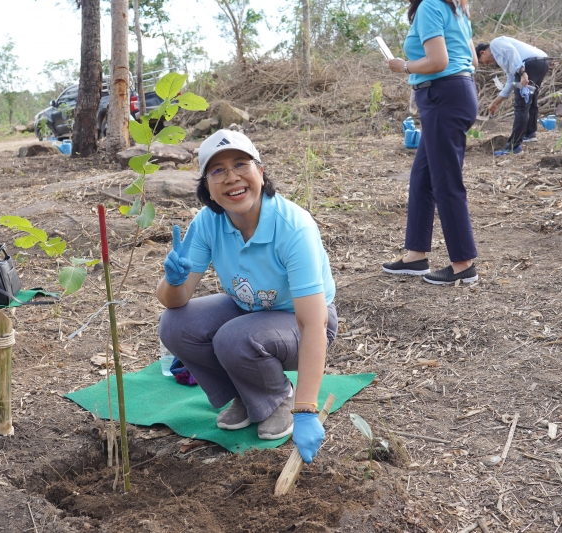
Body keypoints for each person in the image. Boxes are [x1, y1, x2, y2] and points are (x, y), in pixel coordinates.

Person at [156, 130, 337, 464]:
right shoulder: (209, 222)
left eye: (241, 164)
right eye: (218, 170)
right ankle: (246, 393)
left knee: (234, 338)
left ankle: (277, 397)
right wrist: (172, 281)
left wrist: (307, 410)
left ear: (261, 171)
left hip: (305, 324)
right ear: (206, 186)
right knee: (174, 325)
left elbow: (314, 323)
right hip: (248, 310)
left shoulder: (293, 227)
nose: (232, 177)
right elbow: (174, 301)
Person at [382, 0, 479, 285]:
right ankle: (416, 255)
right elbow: (472, 60)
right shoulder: (457, 8)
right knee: (422, 176)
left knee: (445, 180)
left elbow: (438, 61)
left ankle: (462, 264)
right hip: (456, 93)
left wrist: (404, 66)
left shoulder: (430, 6)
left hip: (444, 96)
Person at [476, 38, 548, 155]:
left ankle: (514, 146)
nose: (488, 64)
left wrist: (522, 72)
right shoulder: (502, 59)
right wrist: (495, 103)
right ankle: (530, 133)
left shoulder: (495, 44)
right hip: (541, 62)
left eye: (485, 62)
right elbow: (511, 80)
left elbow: (511, 51)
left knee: (521, 106)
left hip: (529, 64)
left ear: (482, 53)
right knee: (531, 98)